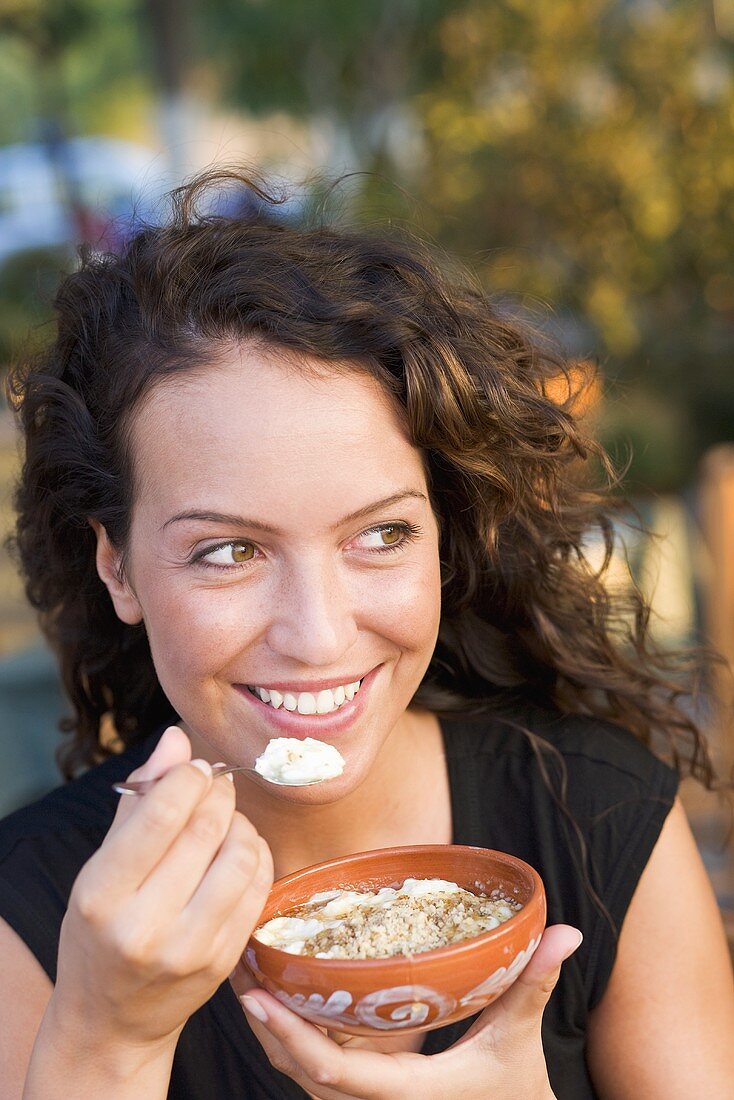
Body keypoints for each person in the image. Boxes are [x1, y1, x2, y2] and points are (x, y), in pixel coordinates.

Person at [0, 168, 732, 1100]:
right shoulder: (31, 917)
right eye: (228, 551)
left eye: (381, 535)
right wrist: (105, 1044)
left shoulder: (598, 814)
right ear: (117, 567)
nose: (317, 635)